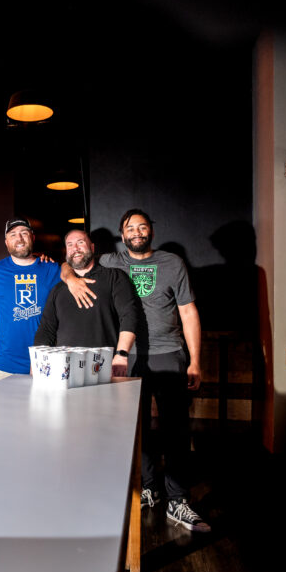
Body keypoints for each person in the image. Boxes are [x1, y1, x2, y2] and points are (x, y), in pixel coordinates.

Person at [96, 209, 208, 532]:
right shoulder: (111, 262)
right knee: (136, 429)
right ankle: (148, 488)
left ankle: (177, 500)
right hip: (128, 357)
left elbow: (188, 312)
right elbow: (75, 265)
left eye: (142, 226)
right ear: (122, 233)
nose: (136, 231)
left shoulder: (172, 263)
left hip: (169, 354)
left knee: (176, 430)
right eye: (130, 227)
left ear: (151, 233)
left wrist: (195, 360)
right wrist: (65, 272)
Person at [34, 229, 138, 373]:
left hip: (105, 366)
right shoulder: (58, 289)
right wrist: (37, 360)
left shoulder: (114, 277)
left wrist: (121, 355)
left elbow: (129, 316)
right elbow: (46, 329)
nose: (75, 248)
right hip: (66, 369)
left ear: (92, 247)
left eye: (80, 242)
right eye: (70, 245)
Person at [0, 217, 63, 380]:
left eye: (24, 233)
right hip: (6, 364)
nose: (19, 238)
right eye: (13, 234)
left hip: (46, 361)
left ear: (32, 237)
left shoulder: (51, 269)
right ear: (6, 242)